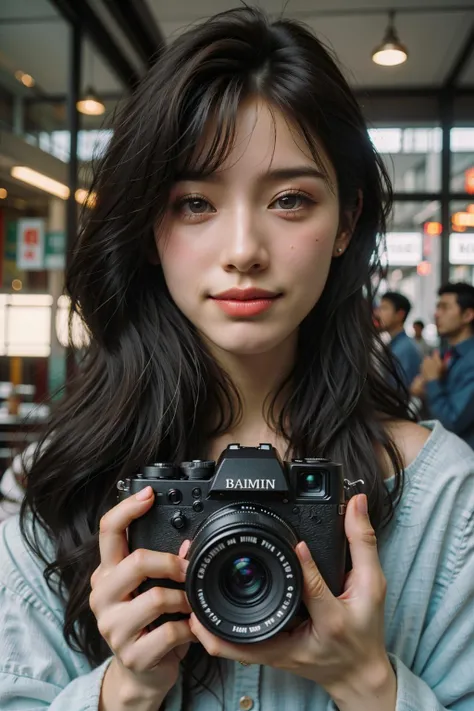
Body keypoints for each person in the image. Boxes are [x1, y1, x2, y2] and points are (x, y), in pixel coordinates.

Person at [1, 8, 474, 711]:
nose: (244, 248)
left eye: (290, 199)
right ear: (150, 228)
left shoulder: (443, 500)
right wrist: (124, 689)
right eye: (195, 201)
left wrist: (369, 682)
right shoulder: (57, 483)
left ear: (346, 221)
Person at [411, 282, 474, 449]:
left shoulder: (471, 360)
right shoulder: (449, 354)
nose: (436, 314)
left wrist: (432, 382)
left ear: (467, 315)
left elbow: (453, 422)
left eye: (444, 308)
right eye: (437, 307)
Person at [376, 292, 422, 389]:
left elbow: (398, 390)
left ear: (400, 314)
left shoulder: (405, 349)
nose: (378, 314)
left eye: (384, 308)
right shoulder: (395, 344)